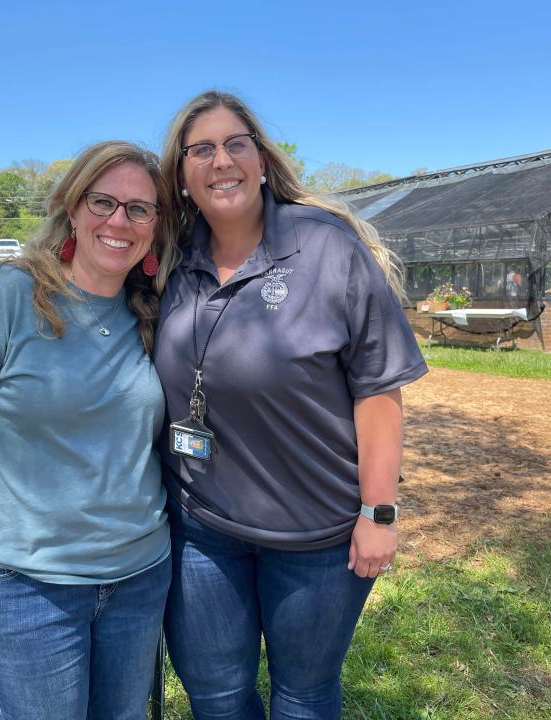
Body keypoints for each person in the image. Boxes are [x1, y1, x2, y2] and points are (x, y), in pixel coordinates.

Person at [153, 91, 428, 719]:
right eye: (201, 149)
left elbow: (379, 390)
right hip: (201, 528)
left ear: (260, 159)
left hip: (318, 536)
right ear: (182, 174)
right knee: (217, 701)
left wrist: (378, 514)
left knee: (302, 698)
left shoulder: (327, 249)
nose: (220, 161)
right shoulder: (167, 258)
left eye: (235, 144)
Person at [0, 141, 178, 720]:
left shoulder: (154, 313)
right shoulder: (8, 297)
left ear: (156, 227)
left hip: (139, 578)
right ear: (72, 208)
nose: (119, 221)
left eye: (139, 209)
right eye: (103, 202)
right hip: (25, 586)